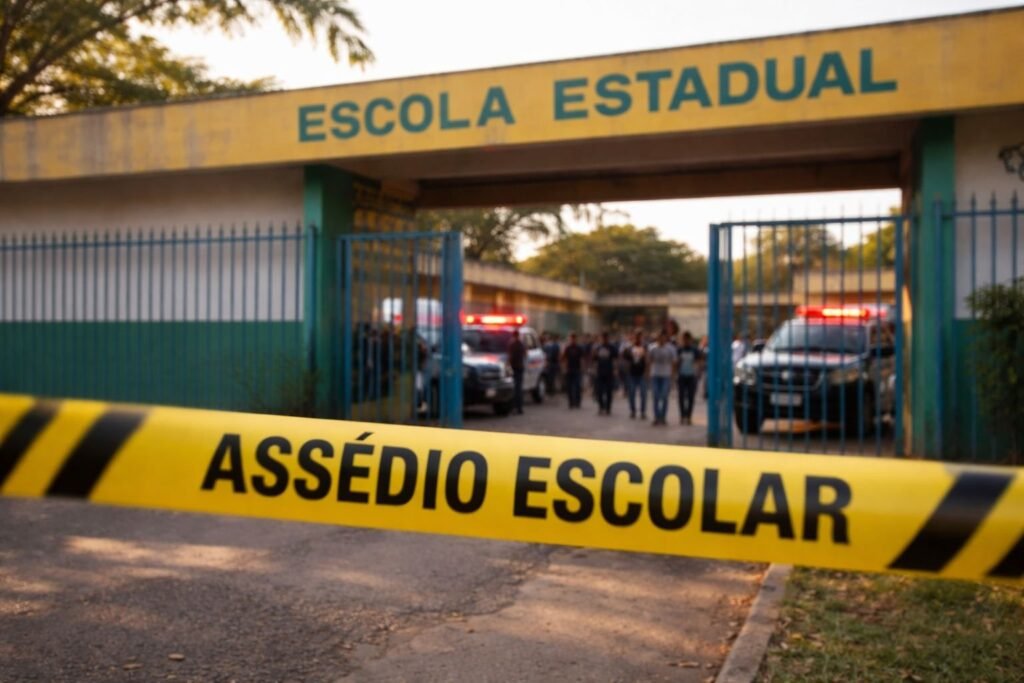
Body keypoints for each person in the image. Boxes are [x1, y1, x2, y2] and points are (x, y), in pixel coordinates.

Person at [647, 331, 676, 426]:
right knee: (655, 396)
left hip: (666, 375)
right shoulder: (652, 348)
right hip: (655, 374)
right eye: (659, 338)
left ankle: (663, 417)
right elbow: (649, 361)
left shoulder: (670, 348)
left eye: (663, 337)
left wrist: (672, 375)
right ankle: (656, 417)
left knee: (664, 396)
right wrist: (647, 374)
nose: (661, 339)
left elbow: (673, 362)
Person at [677, 331, 703, 425]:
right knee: (681, 397)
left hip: (692, 376)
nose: (686, 341)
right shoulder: (680, 349)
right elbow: (675, 362)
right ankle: (682, 415)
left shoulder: (694, 350)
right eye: (684, 339)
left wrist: (698, 370)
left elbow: (700, 361)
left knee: (691, 397)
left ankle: (689, 416)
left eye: (687, 339)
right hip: (682, 375)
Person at [622, 329, 649, 419]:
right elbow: (624, 356)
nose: (638, 338)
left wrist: (646, 372)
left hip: (641, 374)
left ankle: (643, 411)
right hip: (632, 373)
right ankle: (633, 410)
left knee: (643, 394)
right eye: (636, 336)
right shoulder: (630, 347)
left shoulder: (645, 347)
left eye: (639, 336)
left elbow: (647, 360)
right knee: (632, 393)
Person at [592, 331, 618, 415]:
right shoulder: (598, 348)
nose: (604, 339)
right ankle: (601, 406)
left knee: (609, 391)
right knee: (599, 391)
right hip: (600, 372)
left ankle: (608, 408)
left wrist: (615, 369)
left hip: (609, 372)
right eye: (603, 337)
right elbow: (594, 360)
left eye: (606, 337)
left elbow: (615, 359)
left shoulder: (612, 347)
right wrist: (594, 369)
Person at [561, 332, 585, 408]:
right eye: (571, 338)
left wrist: (582, 368)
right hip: (569, 369)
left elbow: (582, 359)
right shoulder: (567, 348)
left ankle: (577, 402)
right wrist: (564, 368)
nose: (572, 340)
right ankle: (571, 402)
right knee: (569, 387)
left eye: (574, 338)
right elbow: (564, 359)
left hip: (577, 369)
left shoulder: (579, 348)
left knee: (577, 386)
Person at [507, 329, 526, 415]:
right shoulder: (521, 344)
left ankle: (514, 407)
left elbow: (510, 357)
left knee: (514, 388)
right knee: (519, 388)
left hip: (514, 368)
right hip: (520, 367)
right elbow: (526, 354)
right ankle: (519, 408)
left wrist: (508, 365)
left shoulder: (512, 344)